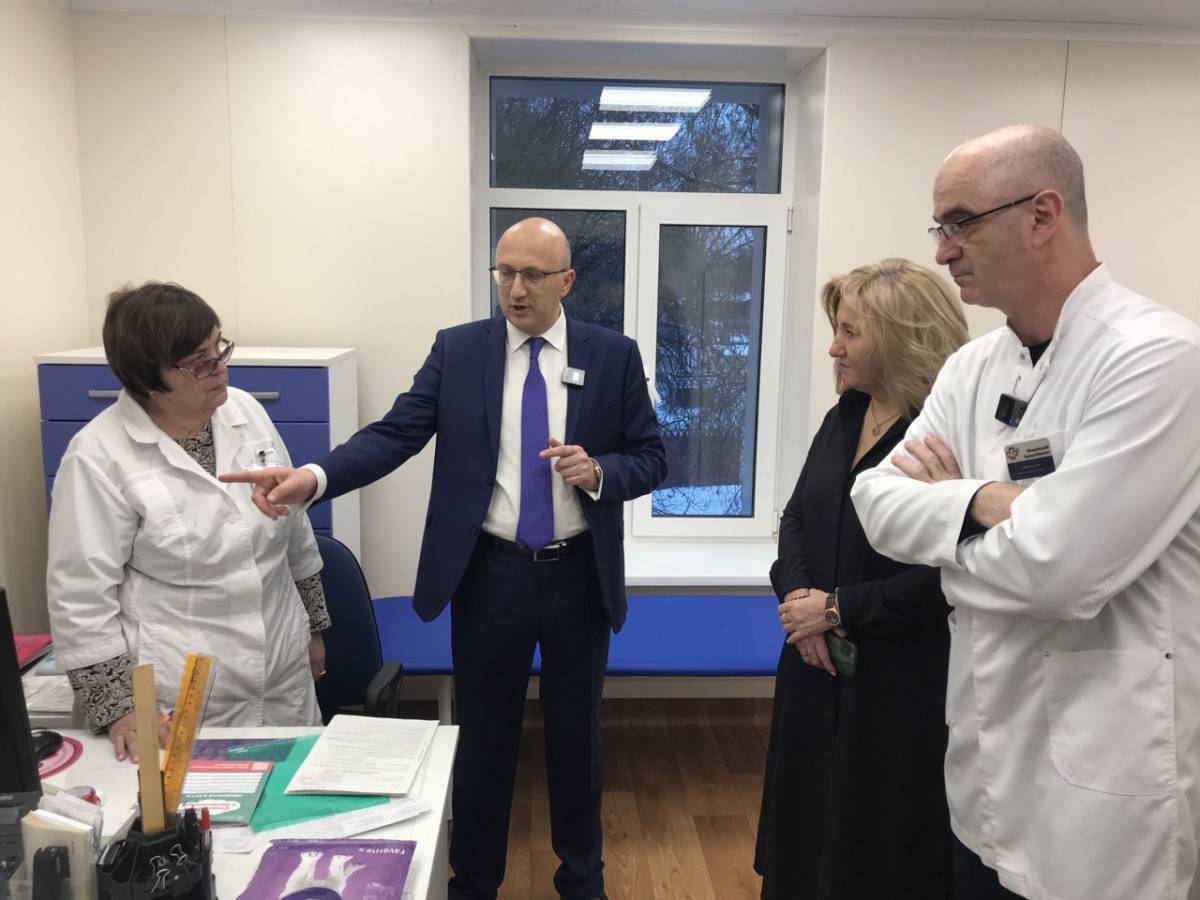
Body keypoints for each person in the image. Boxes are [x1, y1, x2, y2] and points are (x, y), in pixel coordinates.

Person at [222, 217, 667, 900]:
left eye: (533, 276)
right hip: (489, 575)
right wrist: (313, 478)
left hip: (578, 574)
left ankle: (582, 881)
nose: (515, 290)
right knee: (484, 742)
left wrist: (602, 471)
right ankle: (474, 883)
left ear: (567, 282)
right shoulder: (459, 351)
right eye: (505, 273)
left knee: (576, 741)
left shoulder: (613, 356)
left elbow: (652, 457)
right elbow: (395, 433)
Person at [851, 125, 1200, 900]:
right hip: (985, 774)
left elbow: (1057, 572)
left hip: (1105, 796)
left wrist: (944, 537)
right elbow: (874, 502)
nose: (944, 251)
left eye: (961, 223)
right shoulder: (971, 367)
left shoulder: (1157, 359)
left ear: (1043, 215)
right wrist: (986, 499)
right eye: (940, 228)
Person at [755, 258, 969, 899]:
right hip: (813, 662)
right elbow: (796, 518)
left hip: (896, 680)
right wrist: (802, 603)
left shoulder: (942, 438)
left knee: (875, 848)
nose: (834, 348)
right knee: (803, 836)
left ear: (901, 339)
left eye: (850, 332)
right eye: (837, 329)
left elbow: (950, 571)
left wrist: (839, 609)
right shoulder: (844, 416)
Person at [46, 282, 329, 763]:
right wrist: (121, 709)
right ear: (147, 379)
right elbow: (81, 597)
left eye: (219, 347)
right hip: (181, 688)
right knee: (203, 804)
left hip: (281, 667)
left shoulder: (245, 411)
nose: (219, 367)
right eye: (198, 362)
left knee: (289, 793)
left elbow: (294, 532)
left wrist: (313, 627)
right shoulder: (98, 456)